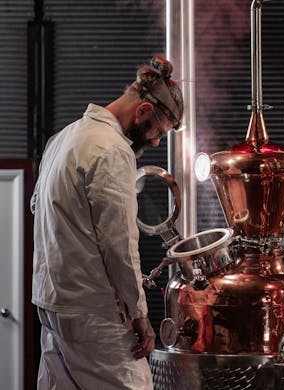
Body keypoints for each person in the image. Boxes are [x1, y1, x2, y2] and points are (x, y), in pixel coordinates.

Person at [31, 55, 184, 390]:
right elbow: (119, 246)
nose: (156, 142)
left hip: (52, 305)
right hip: (92, 314)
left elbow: (37, 209)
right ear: (143, 111)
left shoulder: (63, 139)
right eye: (158, 131)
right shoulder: (112, 150)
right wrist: (140, 315)